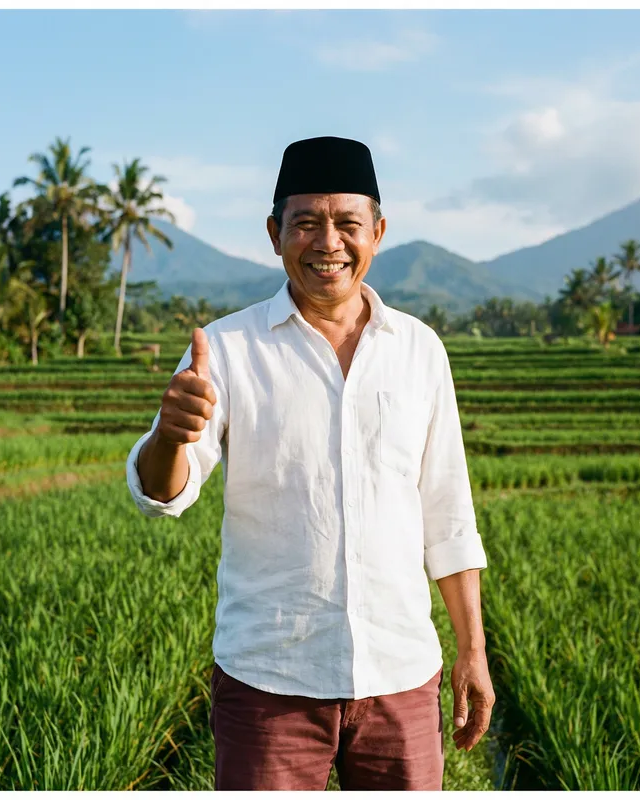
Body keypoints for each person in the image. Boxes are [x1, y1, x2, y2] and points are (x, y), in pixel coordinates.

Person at [126, 135, 495, 790]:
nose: (329, 242)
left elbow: (447, 511)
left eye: (348, 223)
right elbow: (165, 492)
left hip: (401, 678)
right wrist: (171, 435)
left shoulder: (419, 350)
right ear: (275, 234)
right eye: (307, 223)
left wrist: (473, 650)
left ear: (377, 233)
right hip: (270, 683)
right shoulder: (226, 350)